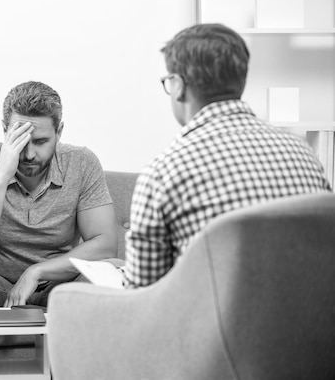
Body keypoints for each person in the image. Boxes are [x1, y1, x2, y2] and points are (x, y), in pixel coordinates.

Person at [123, 23, 331, 288]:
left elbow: (143, 292)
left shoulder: (164, 170)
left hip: (218, 327)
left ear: (178, 86)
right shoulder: (305, 154)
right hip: (311, 323)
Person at [0, 81, 118, 360]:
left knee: (112, 271)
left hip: (57, 289)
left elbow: (105, 243)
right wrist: (3, 173)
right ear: (5, 131)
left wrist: (37, 272)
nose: (28, 154)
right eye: (21, 140)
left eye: (40, 142)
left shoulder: (82, 163)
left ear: (59, 132)